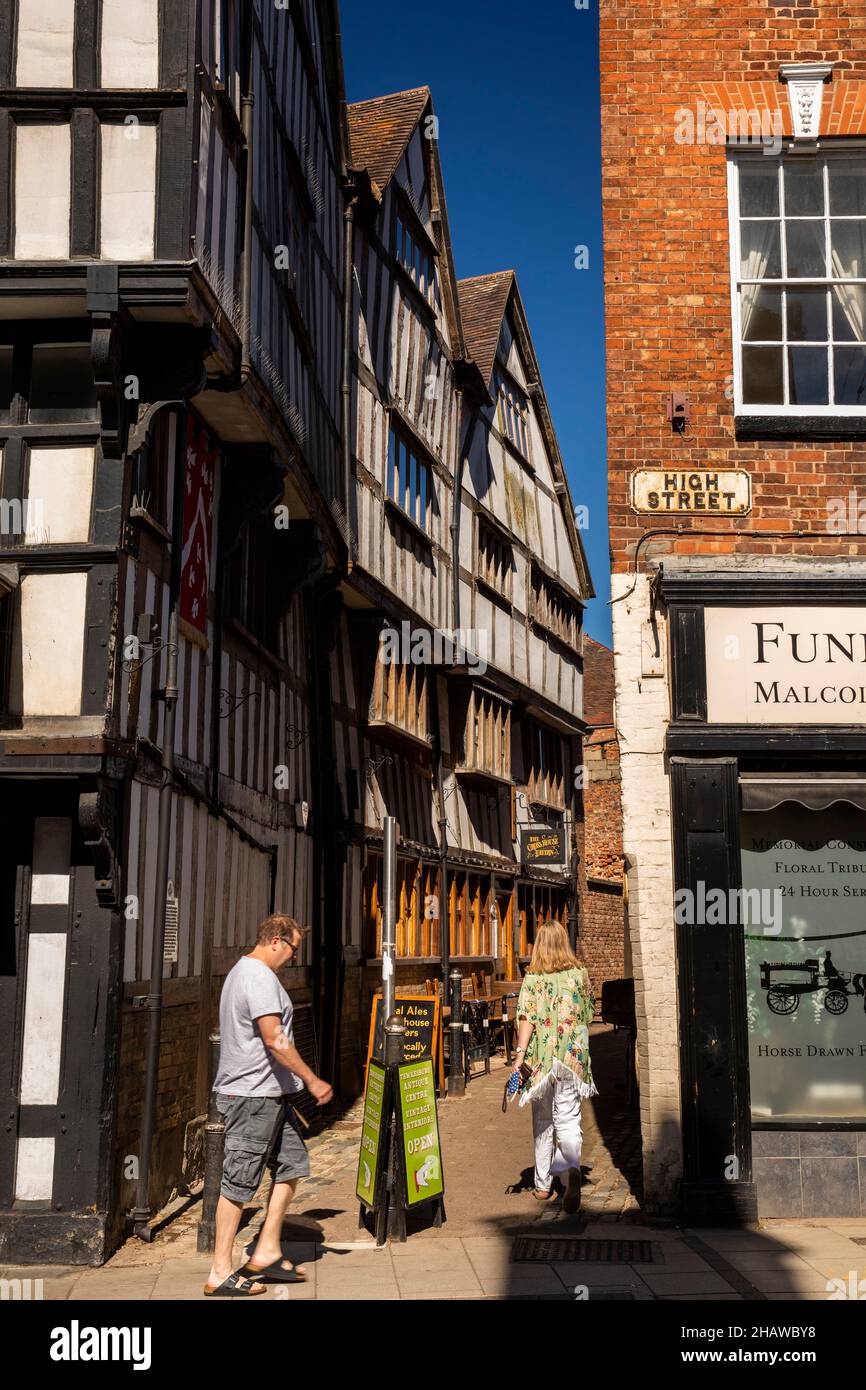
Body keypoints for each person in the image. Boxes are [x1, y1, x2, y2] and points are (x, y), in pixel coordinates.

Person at [204, 913, 333, 1297]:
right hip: (252, 1097)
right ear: (276, 941)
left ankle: (267, 1251)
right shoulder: (258, 978)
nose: (294, 957)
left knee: (292, 1164)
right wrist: (311, 1079)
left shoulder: (244, 972)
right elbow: (274, 1038)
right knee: (238, 1183)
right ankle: (219, 1271)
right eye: (293, 949)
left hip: (269, 1096)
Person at [511, 920, 597, 1214]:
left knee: (543, 1119)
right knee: (569, 1118)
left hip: (542, 1061)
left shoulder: (533, 978)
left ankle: (542, 1184)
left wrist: (519, 1056)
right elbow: (589, 1012)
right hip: (573, 1057)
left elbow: (527, 1019)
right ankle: (571, 1167)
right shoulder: (580, 974)